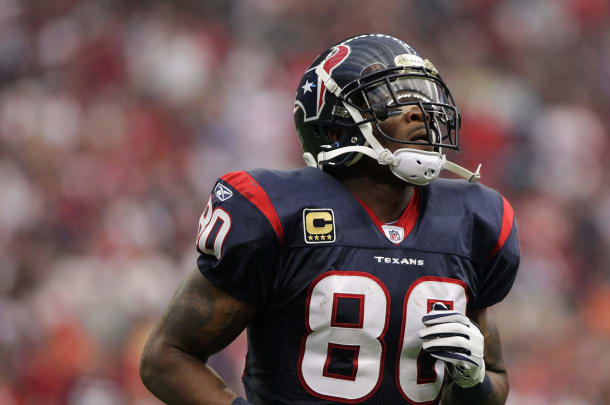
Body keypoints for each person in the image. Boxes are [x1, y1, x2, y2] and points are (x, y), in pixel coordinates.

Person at [140, 33, 520, 405]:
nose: (419, 112)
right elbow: (167, 357)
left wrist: (474, 382)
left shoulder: (473, 222)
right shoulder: (277, 211)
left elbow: (495, 382)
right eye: (392, 102)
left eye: (424, 99)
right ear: (336, 127)